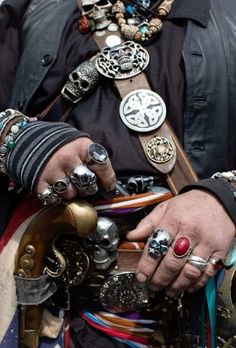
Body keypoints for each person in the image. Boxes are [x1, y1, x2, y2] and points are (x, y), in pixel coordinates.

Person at [0, 0, 236, 347]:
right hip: (46, 312)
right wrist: (18, 139)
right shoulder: (33, 8)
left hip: (196, 316)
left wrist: (224, 197)